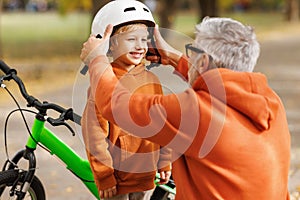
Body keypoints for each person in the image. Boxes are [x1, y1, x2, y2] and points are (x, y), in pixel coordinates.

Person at [80, 17, 291, 199]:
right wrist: (172, 57)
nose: (187, 57)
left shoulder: (195, 112)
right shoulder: (271, 101)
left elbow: (116, 105)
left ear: (203, 61)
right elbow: (220, 83)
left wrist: (97, 60)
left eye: (191, 52)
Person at [81, 1, 171, 199]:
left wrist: (165, 160)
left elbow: (163, 125)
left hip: (145, 176)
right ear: (111, 43)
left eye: (144, 39)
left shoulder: (152, 80)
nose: (140, 46)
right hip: (116, 179)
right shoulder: (104, 80)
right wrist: (104, 175)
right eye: (131, 39)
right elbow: (95, 135)